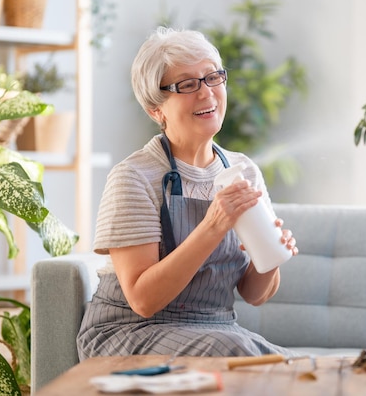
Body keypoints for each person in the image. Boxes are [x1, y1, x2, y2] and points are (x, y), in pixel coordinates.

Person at [76, 27, 299, 360]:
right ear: (156, 109)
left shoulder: (244, 171)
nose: (207, 92)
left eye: (212, 77)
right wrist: (213, 225)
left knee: (288, 365)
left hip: (217, 329)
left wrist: (271, 257)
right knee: (241, 354)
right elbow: (143, 300)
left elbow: (254, 294)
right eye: (187, 84)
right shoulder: (134, 177)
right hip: (129, 331)